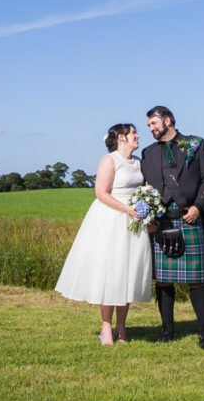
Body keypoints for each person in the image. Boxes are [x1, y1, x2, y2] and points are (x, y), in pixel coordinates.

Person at [54, 122, 154, 344]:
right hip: (112, 219)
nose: (137, 136)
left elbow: (144, 189)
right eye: (133, 133)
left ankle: (122, 327)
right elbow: (101, 192)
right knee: (112, 272)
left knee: (129, 272)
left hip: (134, 222)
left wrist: (146, 210)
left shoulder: (138, 163)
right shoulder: (109, 160)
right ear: (121, 137)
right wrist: (127, 209)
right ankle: (106, 327)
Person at [139, 105, 204, 349]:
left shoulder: (196, 144)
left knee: (197, 280)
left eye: (153, 123)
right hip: (161, 220)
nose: (150, 129)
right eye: (149, 125)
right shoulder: (148, 153)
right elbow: (144, 186)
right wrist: (148, 216)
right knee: (162, 280)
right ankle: (167, 331)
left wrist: (198, 207)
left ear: (168, 120)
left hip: (188, 217)